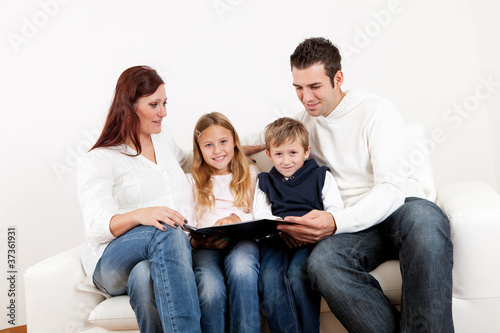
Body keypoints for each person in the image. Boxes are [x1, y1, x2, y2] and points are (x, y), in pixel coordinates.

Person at [245, 37, 454, 332]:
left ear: (338, 78)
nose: (306, 98)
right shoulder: (304, 121)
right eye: (298, 88)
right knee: (321, 264)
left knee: (426, 220)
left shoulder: (377, 111)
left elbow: (391, 190)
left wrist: (332, 220)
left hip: (397, 211)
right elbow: (253, 137)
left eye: (314, 87)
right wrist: (216, 149)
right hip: (354, 228)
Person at [77, 66, 201, 333]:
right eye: (154, 104)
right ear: (129, 107)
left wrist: (232, 148)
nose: (163, 112)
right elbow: (96, 226)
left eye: (165, 103)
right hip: (111, 261)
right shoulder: (100, 159)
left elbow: (189, 162)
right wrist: (139, 215)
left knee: (144, 277)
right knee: (167, 229)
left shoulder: (163, 138)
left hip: (159, 255)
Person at [253, 117, 344, 333]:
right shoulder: (265, 181)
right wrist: (283, 228)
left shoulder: (321, 175)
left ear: (306, 151)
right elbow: (261, 214)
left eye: (293, 153)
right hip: (276, 239)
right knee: (270, 278)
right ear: (268, 154)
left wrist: (307, 227)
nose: (286, 161)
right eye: (278, 154)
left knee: (297, 275)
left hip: (310, 238)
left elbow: (335, 211)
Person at [185, 112, 261, 333]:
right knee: (210, 288)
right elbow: (186, 219)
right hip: (205, 245)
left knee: (242, 270)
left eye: (223, 142)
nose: (218, 151)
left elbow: (262, 211)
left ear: (235, 142)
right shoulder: (192, 181)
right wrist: (197, 241)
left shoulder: (251, 173)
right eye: (208, 145)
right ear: (198, 150)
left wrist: (237, 218)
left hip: (243, 241)